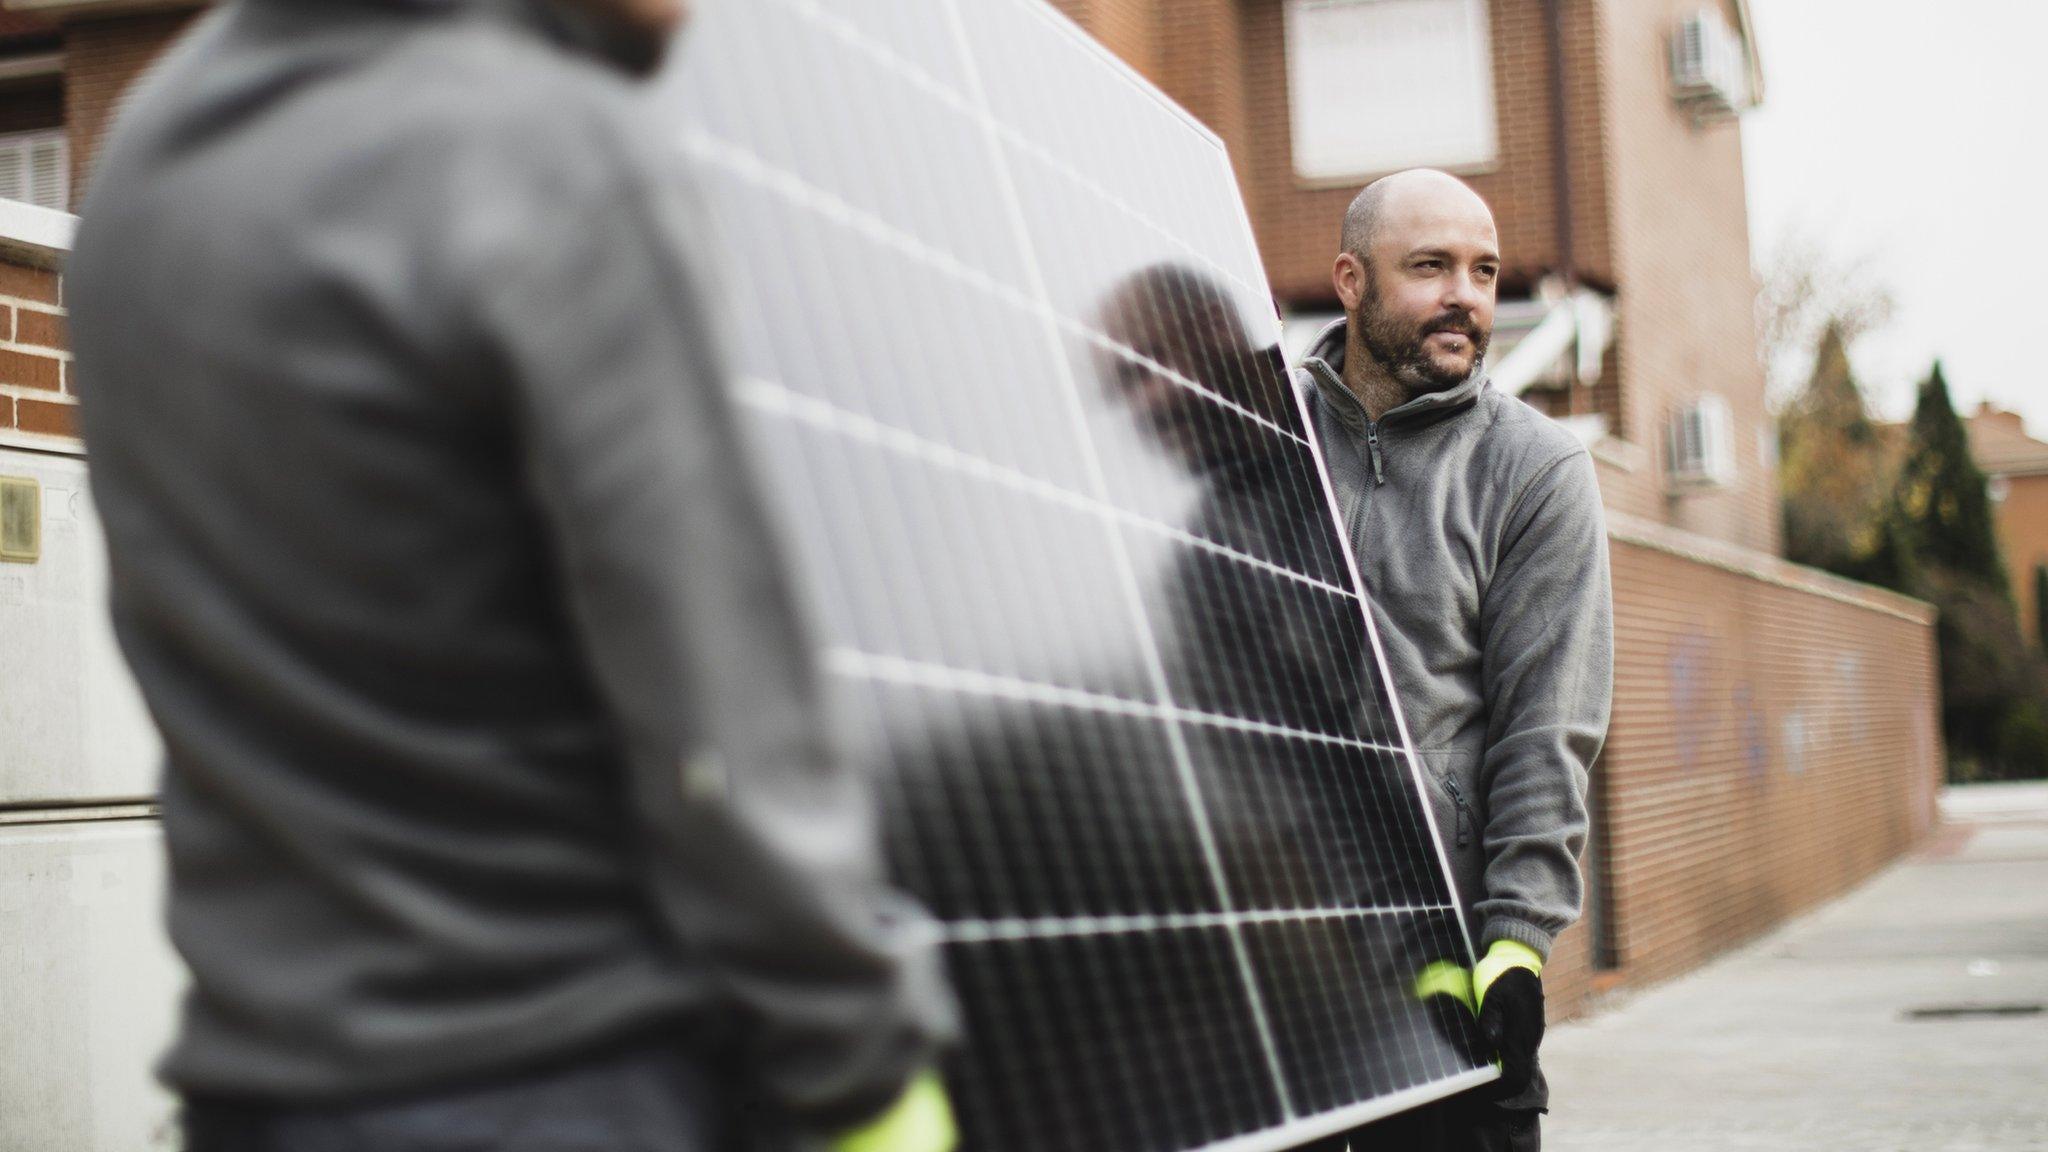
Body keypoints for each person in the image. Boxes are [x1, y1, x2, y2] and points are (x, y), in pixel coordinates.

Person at [64, 0, 956, 1149]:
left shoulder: (144, 157)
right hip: (571, 1080)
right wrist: (858, 1055)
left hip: (255, 1089)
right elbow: (719, 719)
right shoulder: (548, 149)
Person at [1292, 170, 1614, 1152]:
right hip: (1267, 969)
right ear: (1350, 281)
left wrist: (1513, 945)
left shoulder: (1533, 471)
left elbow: (1543, 728)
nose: (1464, 297)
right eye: (1428, 267)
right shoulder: (1262, 440)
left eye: (1481, 270)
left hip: (1446, 989)